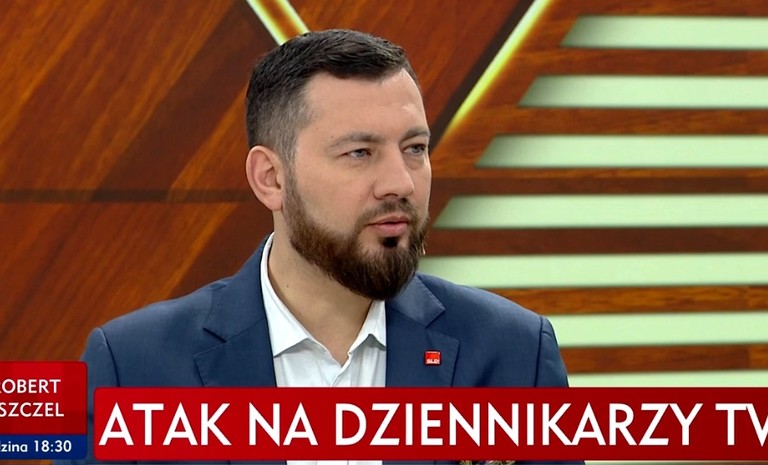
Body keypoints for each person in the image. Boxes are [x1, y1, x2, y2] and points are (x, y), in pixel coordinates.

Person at [62, 29, 579, 464]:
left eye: (414, 148)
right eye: (360, 152)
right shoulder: (130, 370)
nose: (400, 182)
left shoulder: (515, 354)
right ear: (271, 178)